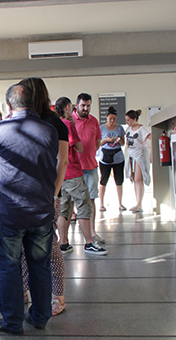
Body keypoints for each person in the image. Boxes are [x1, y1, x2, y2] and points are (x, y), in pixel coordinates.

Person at [0, 83, 59, 334]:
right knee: (40, 265)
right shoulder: (50, 130)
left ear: (9, 106)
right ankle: (40, 317)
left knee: (9, 267)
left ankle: (12, 321)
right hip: (41, 212)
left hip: (8, 212)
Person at [18, 77, 69, 316]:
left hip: (47, 195)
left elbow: (63, 161)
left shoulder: (54, 123)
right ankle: (27, 290)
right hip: (27, 194)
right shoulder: (30, 120)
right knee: (25, 245)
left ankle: (58, 295)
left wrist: (55, 192)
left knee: (50, 246)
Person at [56, 96, 108, 256]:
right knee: (84, 206)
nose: (85, 108)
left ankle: (63, 243)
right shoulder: (69, 124)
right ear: (68, 107)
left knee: (63, 209)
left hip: (61, 175)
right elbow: (78, 147)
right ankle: (89, 243)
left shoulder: (53, 125)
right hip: (73, 172)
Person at [72, 93, 104, 243]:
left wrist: (90, 154)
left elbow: (97, 142)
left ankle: (92, 232)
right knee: (71, 201)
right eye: (83, 105)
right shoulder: (69, 121)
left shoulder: (94, 121)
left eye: (88, 105)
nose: (86, 108)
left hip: (91, 167)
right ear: (76, 105)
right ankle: (65, 239)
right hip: (74, 169)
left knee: (91, 200)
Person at [98, 106, 126, 211]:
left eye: (114, 119)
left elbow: (123, 143)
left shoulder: (120, 128)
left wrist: (118, 140)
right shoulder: (101, 128)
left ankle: (120, 203)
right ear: (106, 117)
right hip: (105, 157)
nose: (112, 121)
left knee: (119, 180)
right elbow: (98, 143)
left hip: (118, 157)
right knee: (103, 180)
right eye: (110, 119)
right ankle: (101, 204)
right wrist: (106, 140)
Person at [123, 109, 151, 213]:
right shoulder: (128, 129)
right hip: (131, 154)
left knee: (139, 179)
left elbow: (151, 137)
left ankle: (140, 203)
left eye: (129, 120)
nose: (127, 122)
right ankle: (137, 202)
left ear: (135, 119)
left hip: (140, 154)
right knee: (134, 179)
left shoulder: (142, 129)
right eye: (126, 120)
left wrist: (151, 154)